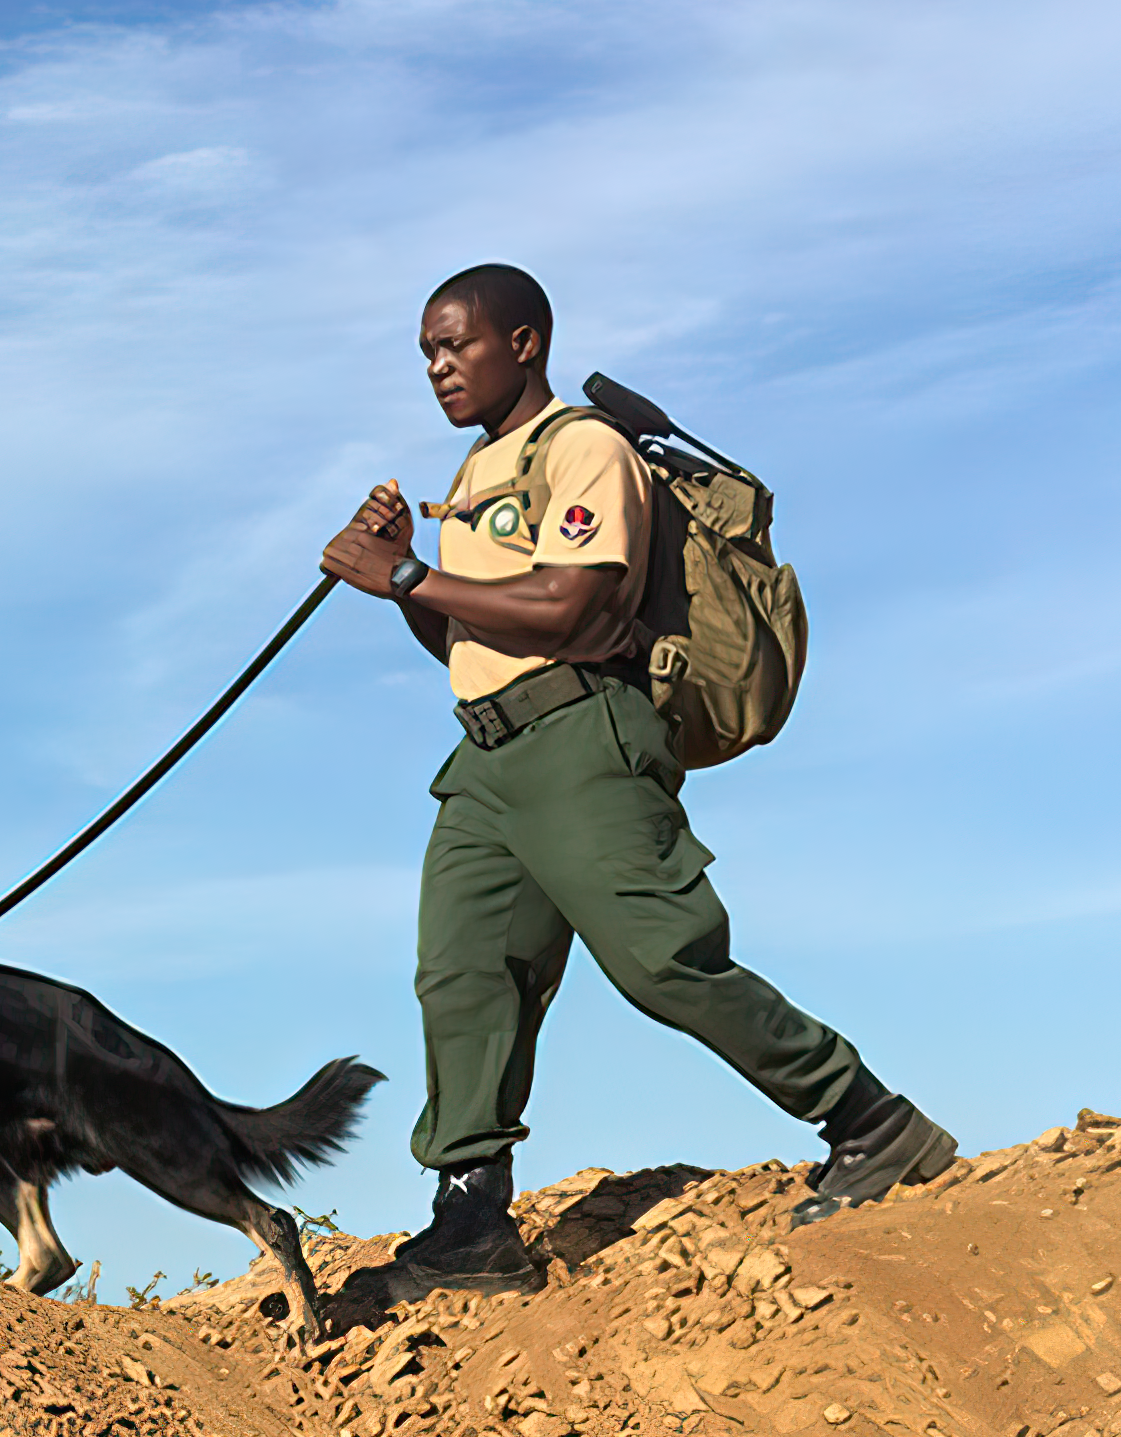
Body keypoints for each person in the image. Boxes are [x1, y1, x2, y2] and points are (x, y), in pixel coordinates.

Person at [319, 263, 956, 1300]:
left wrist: (399, 572)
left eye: (456, 345)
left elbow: (573, 609)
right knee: (464, 973)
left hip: (582, 737)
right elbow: (462, 629)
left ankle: (872, 1121)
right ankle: (472, 1221)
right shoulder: (479, 475)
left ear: (523, 343)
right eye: (427, 353)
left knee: (664, 963)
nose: (438, 369)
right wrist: (405, 575)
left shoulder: (585, 449)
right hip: (483, 756)